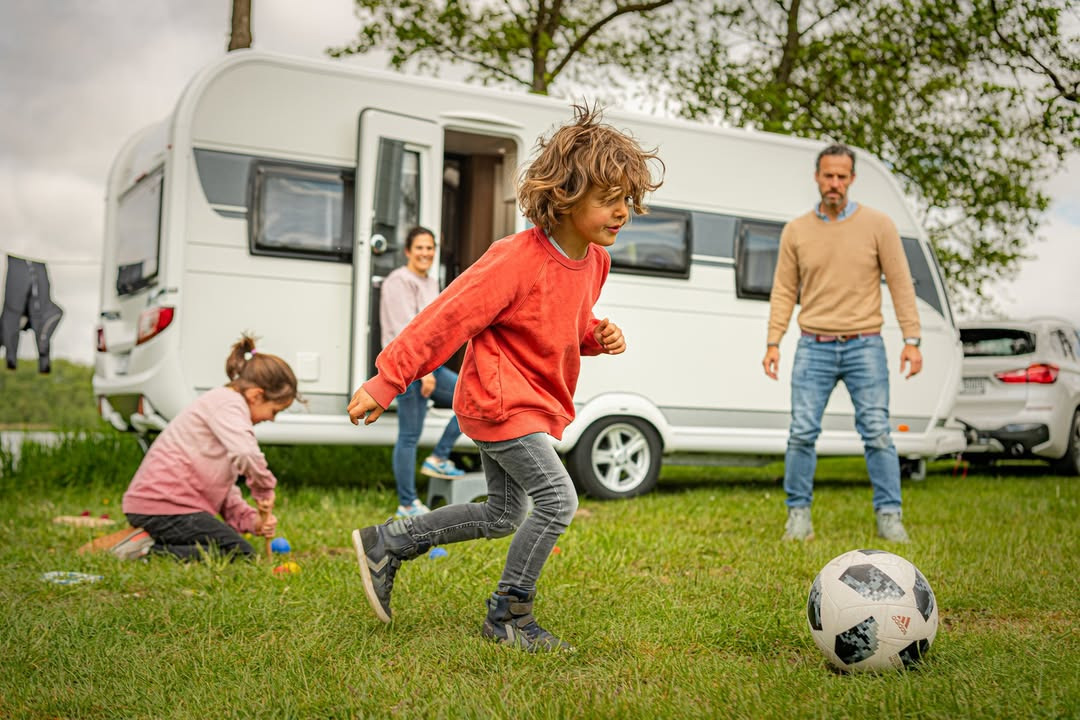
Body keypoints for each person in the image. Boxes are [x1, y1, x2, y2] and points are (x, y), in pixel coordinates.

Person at [347, 104, 663, 651]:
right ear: (565, 195)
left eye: (627, 202)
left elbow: (562, 321)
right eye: (609, 200)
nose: (623, 213)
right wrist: (387, 379)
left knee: (503, 514)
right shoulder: (514, 259)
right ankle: (509, 615)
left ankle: (389, 542)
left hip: (531, 399)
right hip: (499, 399)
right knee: (558, 501)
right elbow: (444, 319)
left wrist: (595, 335)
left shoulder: (595, 261)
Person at [762, 143, 922, 544]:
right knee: (801, 432)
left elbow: (901, 283)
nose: (834, 183)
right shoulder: (796, 231)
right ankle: (797, 517)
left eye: (842, 177)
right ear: (817, 177)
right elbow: (783, 290)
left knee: (877, 431)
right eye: (828, 175)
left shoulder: (879, 225)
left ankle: (890, 516)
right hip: (812, 345)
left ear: (852, 179)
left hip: (864, 345)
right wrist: (773, 342)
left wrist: (912, 338)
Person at [123, 334, 298, 560]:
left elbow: (223, 486)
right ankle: (147, 551)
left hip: (170, 510)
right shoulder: (228, 404)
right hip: (163, 508)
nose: (272, 419)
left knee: (234, 550)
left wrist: (250, 519)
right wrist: (263, 488)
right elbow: (246, 454)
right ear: (256, 395)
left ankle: (154, 543)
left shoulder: (226, 408)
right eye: (274, 411)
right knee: (239, 553)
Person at [380, 225, 466, 519]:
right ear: (407, 251)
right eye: (419, 248)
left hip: (430, 365)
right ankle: (407, 504)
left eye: (430, 248)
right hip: (408, 367)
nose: (425, 253)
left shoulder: (431, 281)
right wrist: (422, 372)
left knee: (471, 396)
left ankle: (439, 456)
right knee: (408, 436)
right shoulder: (398, 281)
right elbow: (406, 330)